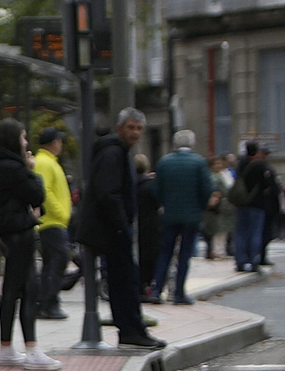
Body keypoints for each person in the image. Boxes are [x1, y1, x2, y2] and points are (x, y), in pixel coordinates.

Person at [79, 108, 164, 349]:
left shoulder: (118, 153)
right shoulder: (113, 154)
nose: (135, 133)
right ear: (119, 128)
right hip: (111, 229)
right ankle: (131, 330)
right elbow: (109, 194)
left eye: (139, 128)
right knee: (125, 281)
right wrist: (121, 225)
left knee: (123, 281)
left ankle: (132, 329)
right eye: (131, 127)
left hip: (111, 228)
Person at [0, 120, 61, 370]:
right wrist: (31, 168)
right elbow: (37, 194)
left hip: (8, 232)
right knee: (28, 289)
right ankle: (32, 349)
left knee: (13, 289)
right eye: (23, 137)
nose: (26, 143)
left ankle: (7, 348)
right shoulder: (14, 167)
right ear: (13, 139)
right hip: (19, 232)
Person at [151, 130, 214, 305]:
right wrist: (200, 207)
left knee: (165, 252)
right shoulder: (199, 163)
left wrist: (164, 202)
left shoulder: (164, 162)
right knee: (185, 254)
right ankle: (179, 292)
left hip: (169, 215)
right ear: (191, 144)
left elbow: (156, 189)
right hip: (191, 216)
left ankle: (157, 289)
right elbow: (207, 189)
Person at [31, 128, 71, 320]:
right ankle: (48, 302)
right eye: (59, 141)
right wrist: (61, 213)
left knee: (53, 262)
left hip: (54, 222)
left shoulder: (48, 162)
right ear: (54, 142)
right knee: (57, 261)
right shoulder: (45, 163)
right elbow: (45, 191)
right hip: (52, 222)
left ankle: (47, 302)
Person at [229, 142, 275, 271]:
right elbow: (267, 185)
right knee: (255, 232)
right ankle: (253, 260)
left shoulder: (241, 164)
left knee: (240, 233)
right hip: (256, 203)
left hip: (240, 202)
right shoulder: (260, 165)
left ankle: (240, 261)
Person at [135, 153, 162, 300]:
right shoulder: (150, 185)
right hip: (150, 224)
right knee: (149, 256)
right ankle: (147, 285)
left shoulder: (130, 184)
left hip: (134, 224)